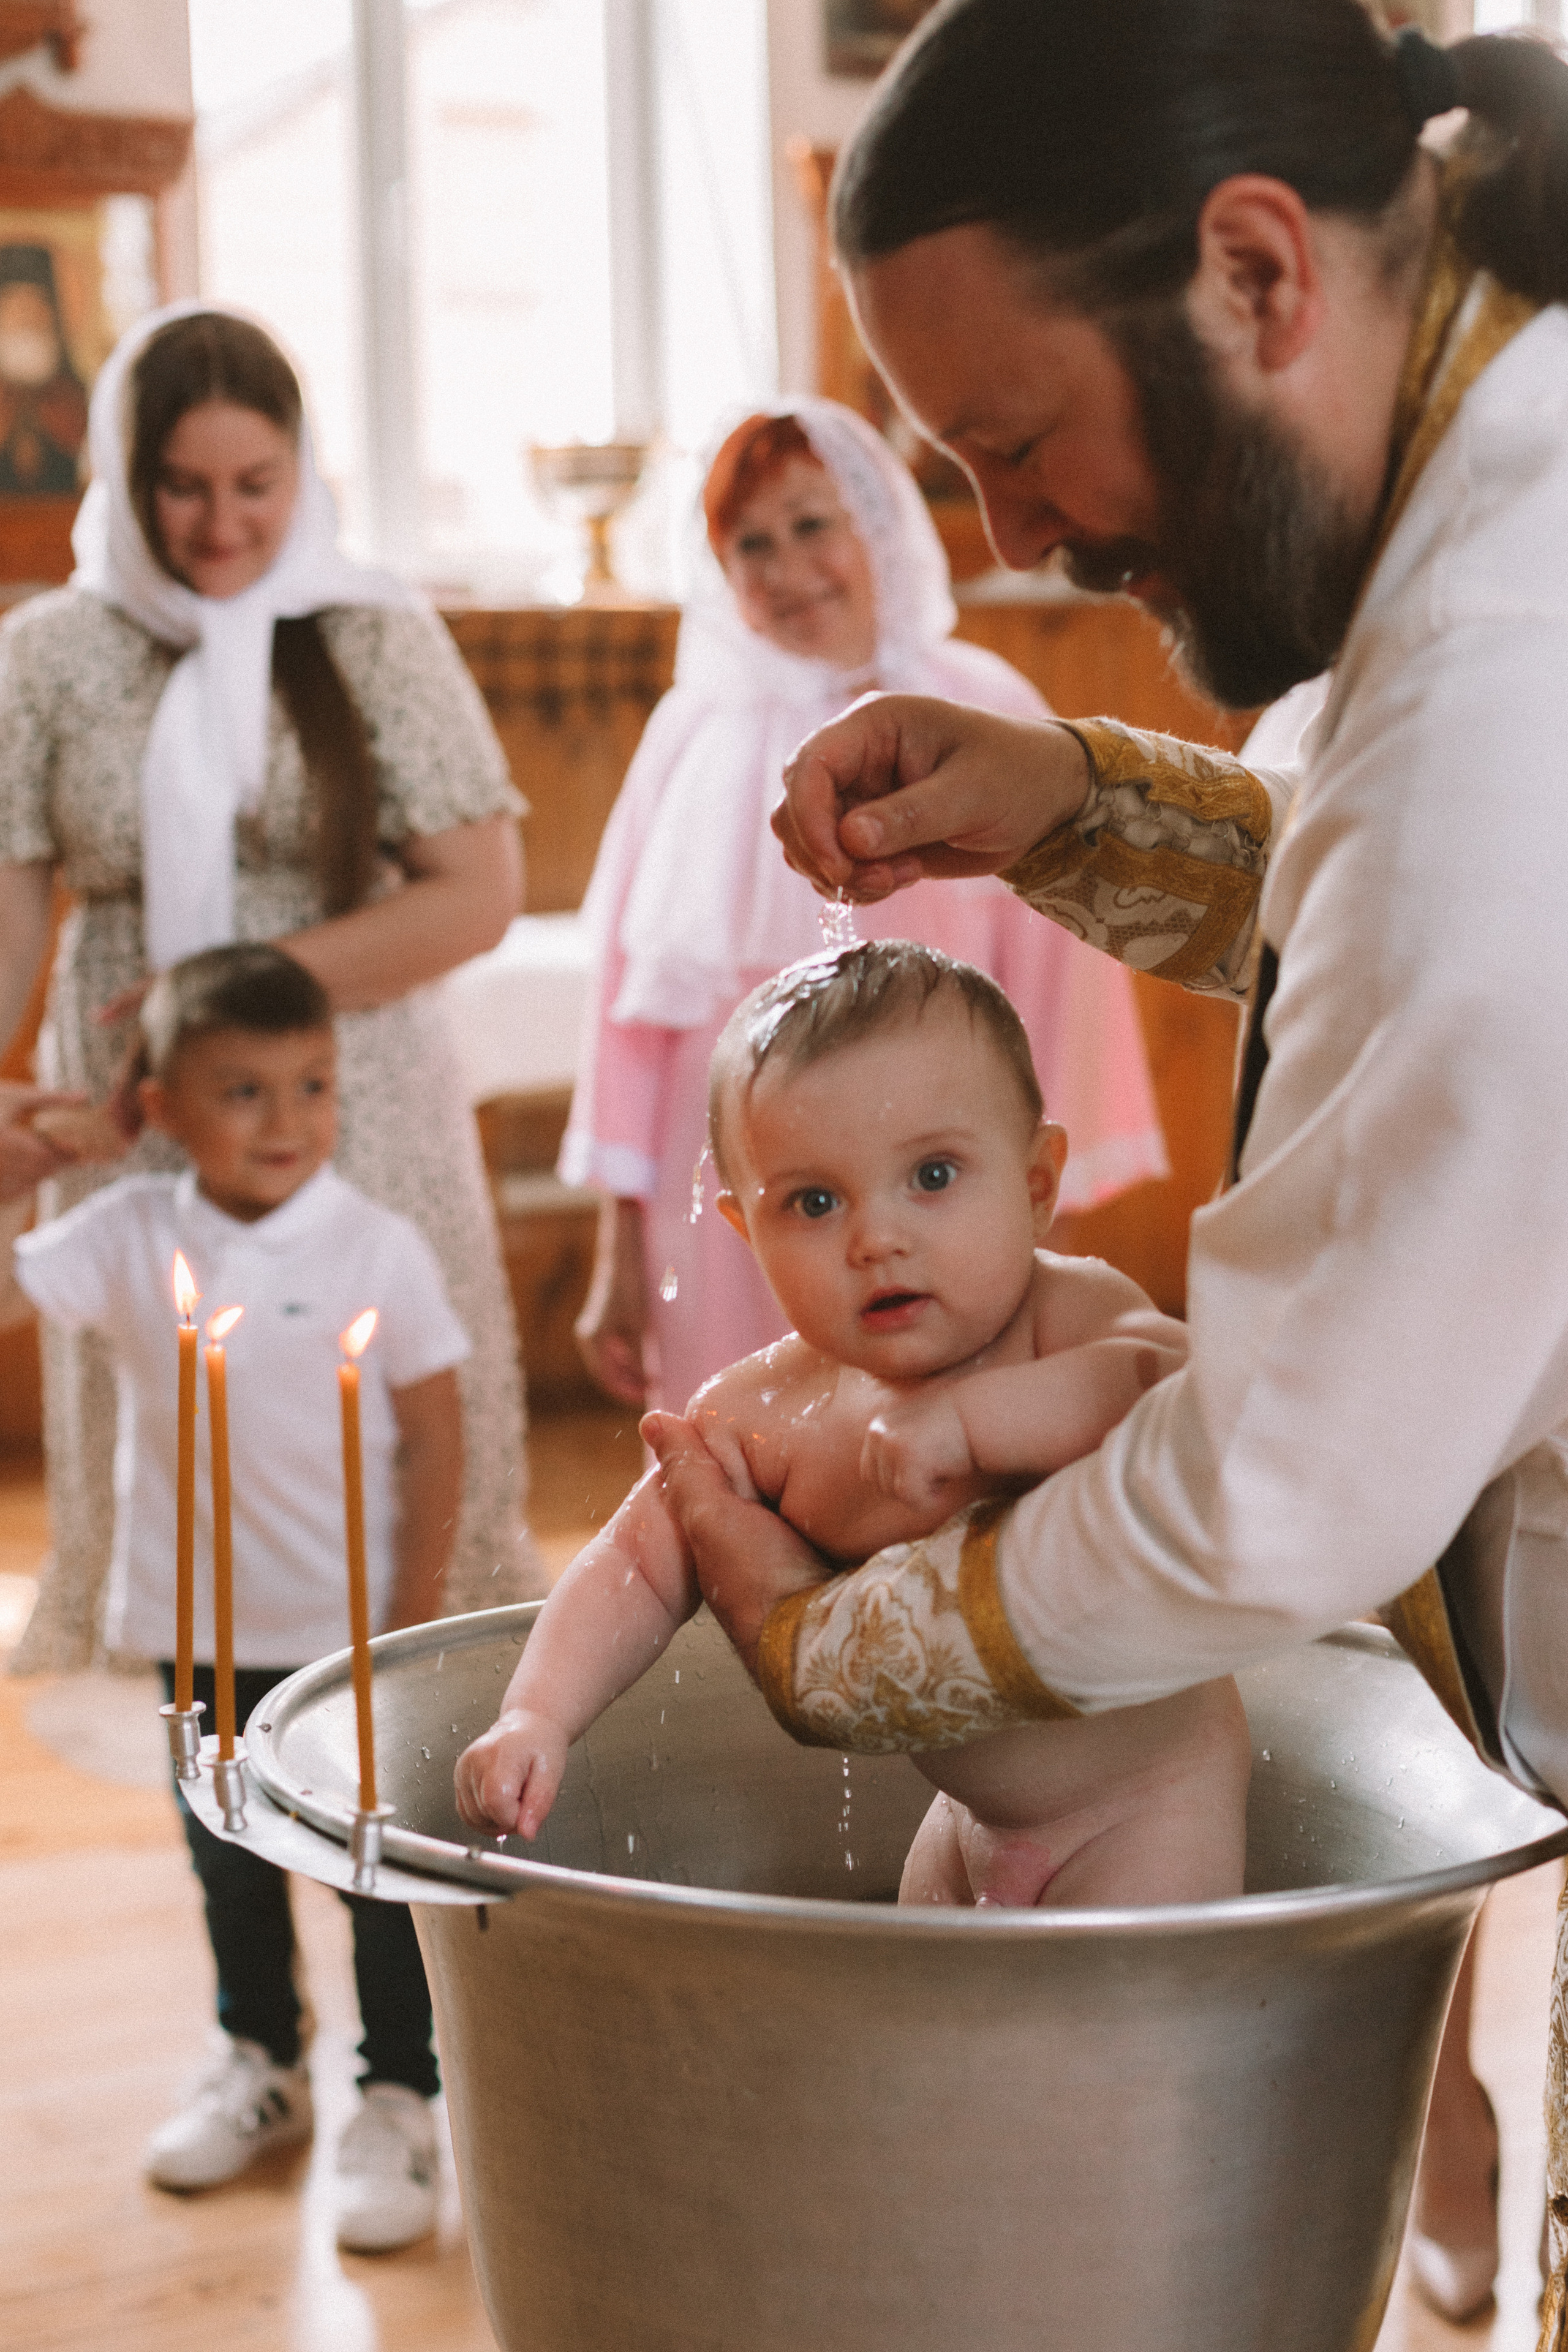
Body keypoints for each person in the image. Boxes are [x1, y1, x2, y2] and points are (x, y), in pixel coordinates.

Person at [630, 6, 1568, 2335]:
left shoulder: (1499, 662)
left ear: (1258, 276)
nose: (1012, 534)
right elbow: (1415, 929)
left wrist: (834, 1642)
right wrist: (1076, 801)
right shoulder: (1485, 471)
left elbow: (1279, 1487)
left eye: (1016, 444)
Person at [459, 941, 1248, 1913]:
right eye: (815, 1202)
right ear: (747, 1228)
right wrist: (537, 1713)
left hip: (1145, 1808)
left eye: (933, 1175)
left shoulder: (1065, 1323)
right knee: (930, 2048)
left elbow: (1175, 1388)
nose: (876, 1238)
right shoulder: (770, 1410)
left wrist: (973, 1423)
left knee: (1103, 2059)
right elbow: (636, 1561)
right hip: (969, 1825)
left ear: (1038, 1184)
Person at [0, 302, 542, 1675]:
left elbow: (476, 892)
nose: (220, 523)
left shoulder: (370, 632)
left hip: (346, 1075)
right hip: (140, 1093)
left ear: (305, 474)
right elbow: (13, 901)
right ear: (123, 476)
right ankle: (204, 1727)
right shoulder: (50, 650)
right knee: (182, 1408)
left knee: (369, 1398)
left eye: (255, 485)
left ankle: (418, 1683)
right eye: (181, 485)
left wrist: (237, 995)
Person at [561, 399, 1167, 1415]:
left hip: (927, 1188)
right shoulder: (689, 736)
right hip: (726, 1206)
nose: (786, 569)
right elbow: (627, 1014)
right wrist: (614, 1254)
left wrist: (1040, 1220)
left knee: (927, 1450)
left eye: (812, 525)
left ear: (878, 526)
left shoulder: (981, 709)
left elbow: (1064, 971)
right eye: (748, 544)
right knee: (749, 1452)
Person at [11, 945, 462, 2249]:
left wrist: (413, 1603)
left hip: (352, 1635)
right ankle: (259, 2058)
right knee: (229, 1865)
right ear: (157, 1109)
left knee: (375, 1877)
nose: (288, 1120)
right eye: (244, 1091)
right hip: (197, 1632)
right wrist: (25, 1175)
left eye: (310, 1084)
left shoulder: (379, 1246)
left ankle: (399, 2091)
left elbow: (435, 1432)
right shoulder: (130, 1235)